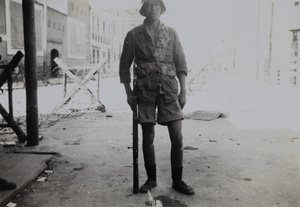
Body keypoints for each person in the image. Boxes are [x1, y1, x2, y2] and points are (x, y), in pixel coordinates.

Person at [119, 0, 194, 195]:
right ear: (143, 10)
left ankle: (177, 180)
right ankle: (151, 179)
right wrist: (128, 93)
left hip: (169, 89)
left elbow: (181, 64)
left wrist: (184, 90)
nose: (153, 9)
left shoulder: (172, 33)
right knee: (148, 137)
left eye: (157, 5)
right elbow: (124, 66)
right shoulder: (133, 34)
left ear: (162, 9)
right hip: (144, 91)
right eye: (149, 5)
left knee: (177, 137)